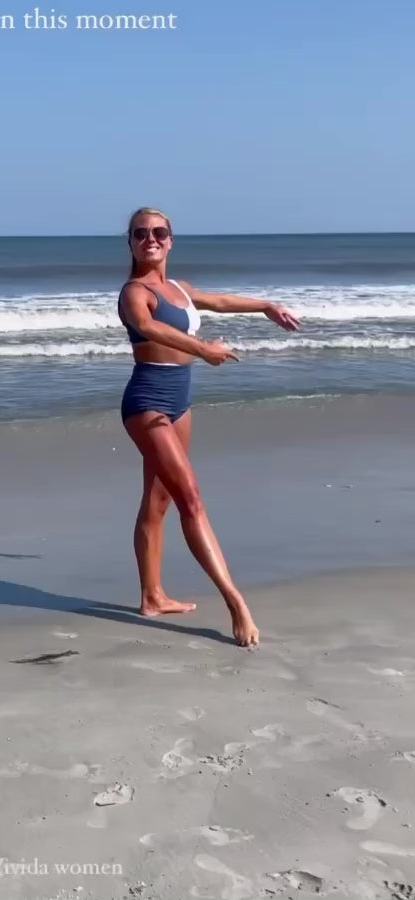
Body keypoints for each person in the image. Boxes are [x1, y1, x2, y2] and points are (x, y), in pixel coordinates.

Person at [118, 207, 300, 647]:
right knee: (192, 500)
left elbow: (218, 301)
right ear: (131, 242)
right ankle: (236, 602)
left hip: (180, 403)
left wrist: (265, 306)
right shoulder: (133, 292)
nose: (151, 239)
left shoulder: (178, 288)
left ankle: (152, 596)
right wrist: (203, 349)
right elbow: (147, 327)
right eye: (141, 233)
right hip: (148, 405)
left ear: (171, 240)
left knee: (157, 501)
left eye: (159, 232)